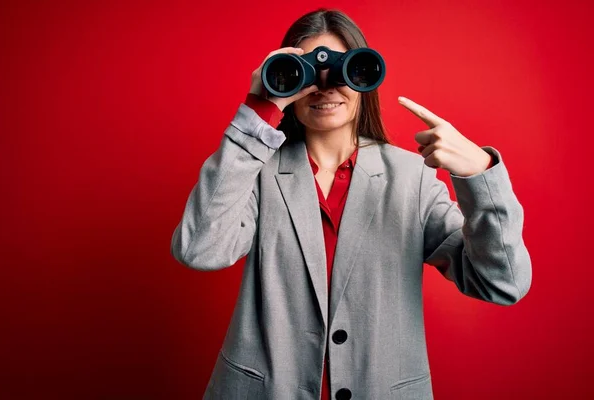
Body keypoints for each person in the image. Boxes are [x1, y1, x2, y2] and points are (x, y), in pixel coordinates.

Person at [170, 8, 532, 400]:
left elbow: (503, 283)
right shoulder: (255, 171)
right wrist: (259, 111)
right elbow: (199, 249)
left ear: (365, 78)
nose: (325, 86)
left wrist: (480, 176)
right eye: (306, 72)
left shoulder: (411, 177)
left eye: (345, 70)